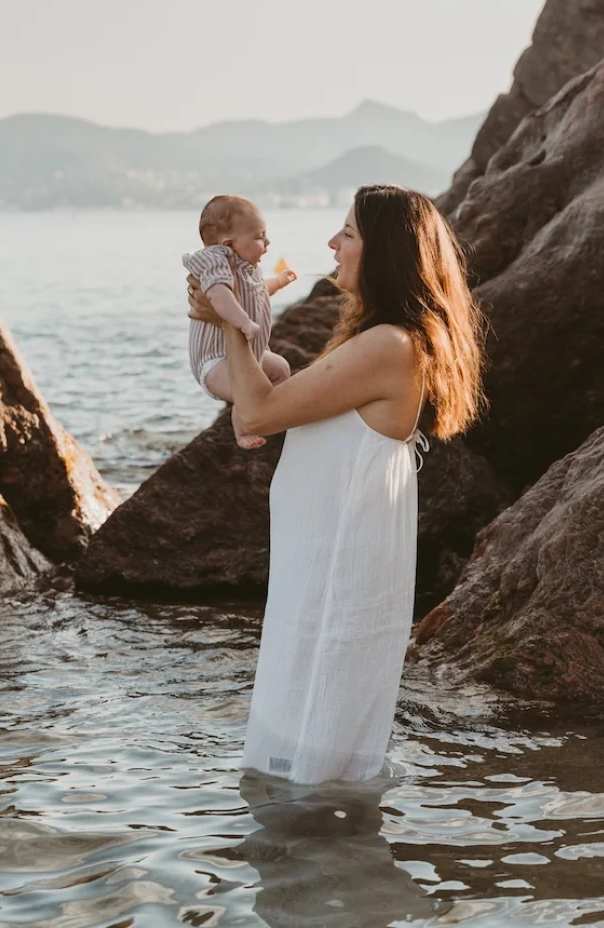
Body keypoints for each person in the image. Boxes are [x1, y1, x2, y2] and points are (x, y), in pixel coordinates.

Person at [187, 185, 486, 784]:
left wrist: (228, 327)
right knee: (309, 764)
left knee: (313, 772)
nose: (332, 244)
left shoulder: (389, 345)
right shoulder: (382, 340)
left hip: (335, 579)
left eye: (347, 234)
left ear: (386, 255)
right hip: (324, 572)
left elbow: (256, 414)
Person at [182, 194, 297, 449]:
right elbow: (217, 295)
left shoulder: (247, 267)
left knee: (280, 368)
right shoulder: (216, 261)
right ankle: (241, 430)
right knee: (247, 391)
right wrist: (243, 323)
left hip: (247, 356)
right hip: (215, 360)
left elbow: (257, 291)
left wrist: (279, 282)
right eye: (259, 237)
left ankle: (269, 417)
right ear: (229, 244)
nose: (267, 243)